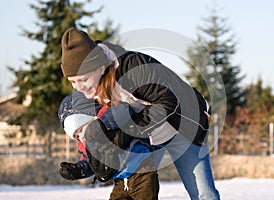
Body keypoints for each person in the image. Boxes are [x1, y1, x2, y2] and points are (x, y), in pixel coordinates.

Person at [61, 28, 220, 200]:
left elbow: (168, 102)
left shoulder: (133, 67)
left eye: (84, 79)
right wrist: (86, 163)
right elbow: (87, 130)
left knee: (203, 194)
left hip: (182, 127)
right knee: (132, 189)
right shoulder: (84, 88)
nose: (79, 87)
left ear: (100, 68)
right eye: (73, 81)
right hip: (148, 138)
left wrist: (129, 128)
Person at [58, 90, 159, 200]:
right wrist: (79, 170)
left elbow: (123, 110)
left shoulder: (109, 120)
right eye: (76, 136)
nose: (81, 137)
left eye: (81, 130)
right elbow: (91, 164)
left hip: (141, 172)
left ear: (93, 119)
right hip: (120, 181)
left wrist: (102, 123)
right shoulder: (87, 145)